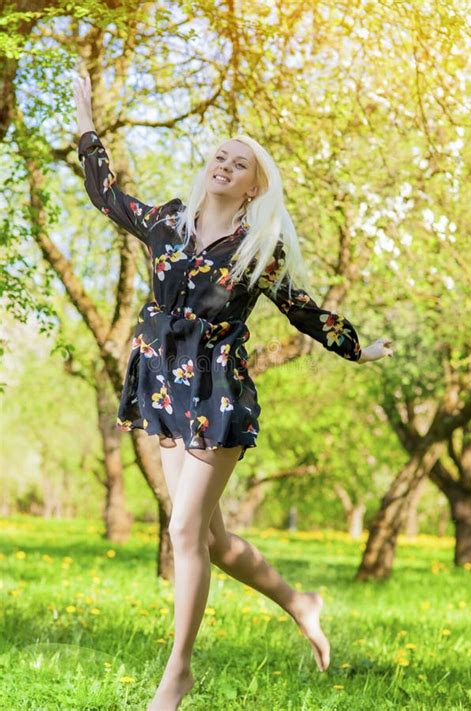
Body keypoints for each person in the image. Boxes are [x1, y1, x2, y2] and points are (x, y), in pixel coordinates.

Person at [73, 71, 393, 711]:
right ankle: (300, 601)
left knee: (184, 526)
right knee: (208, 539)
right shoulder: (166, 221)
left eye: (239, 162)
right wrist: (86, 121)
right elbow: (105, 196)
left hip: (216, 387)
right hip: (163, 382)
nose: (224, 164)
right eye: (220, 155)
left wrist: (357, 347)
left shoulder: (257, 248)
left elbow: (302, 309)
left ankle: (178, 674)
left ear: (255, 184)